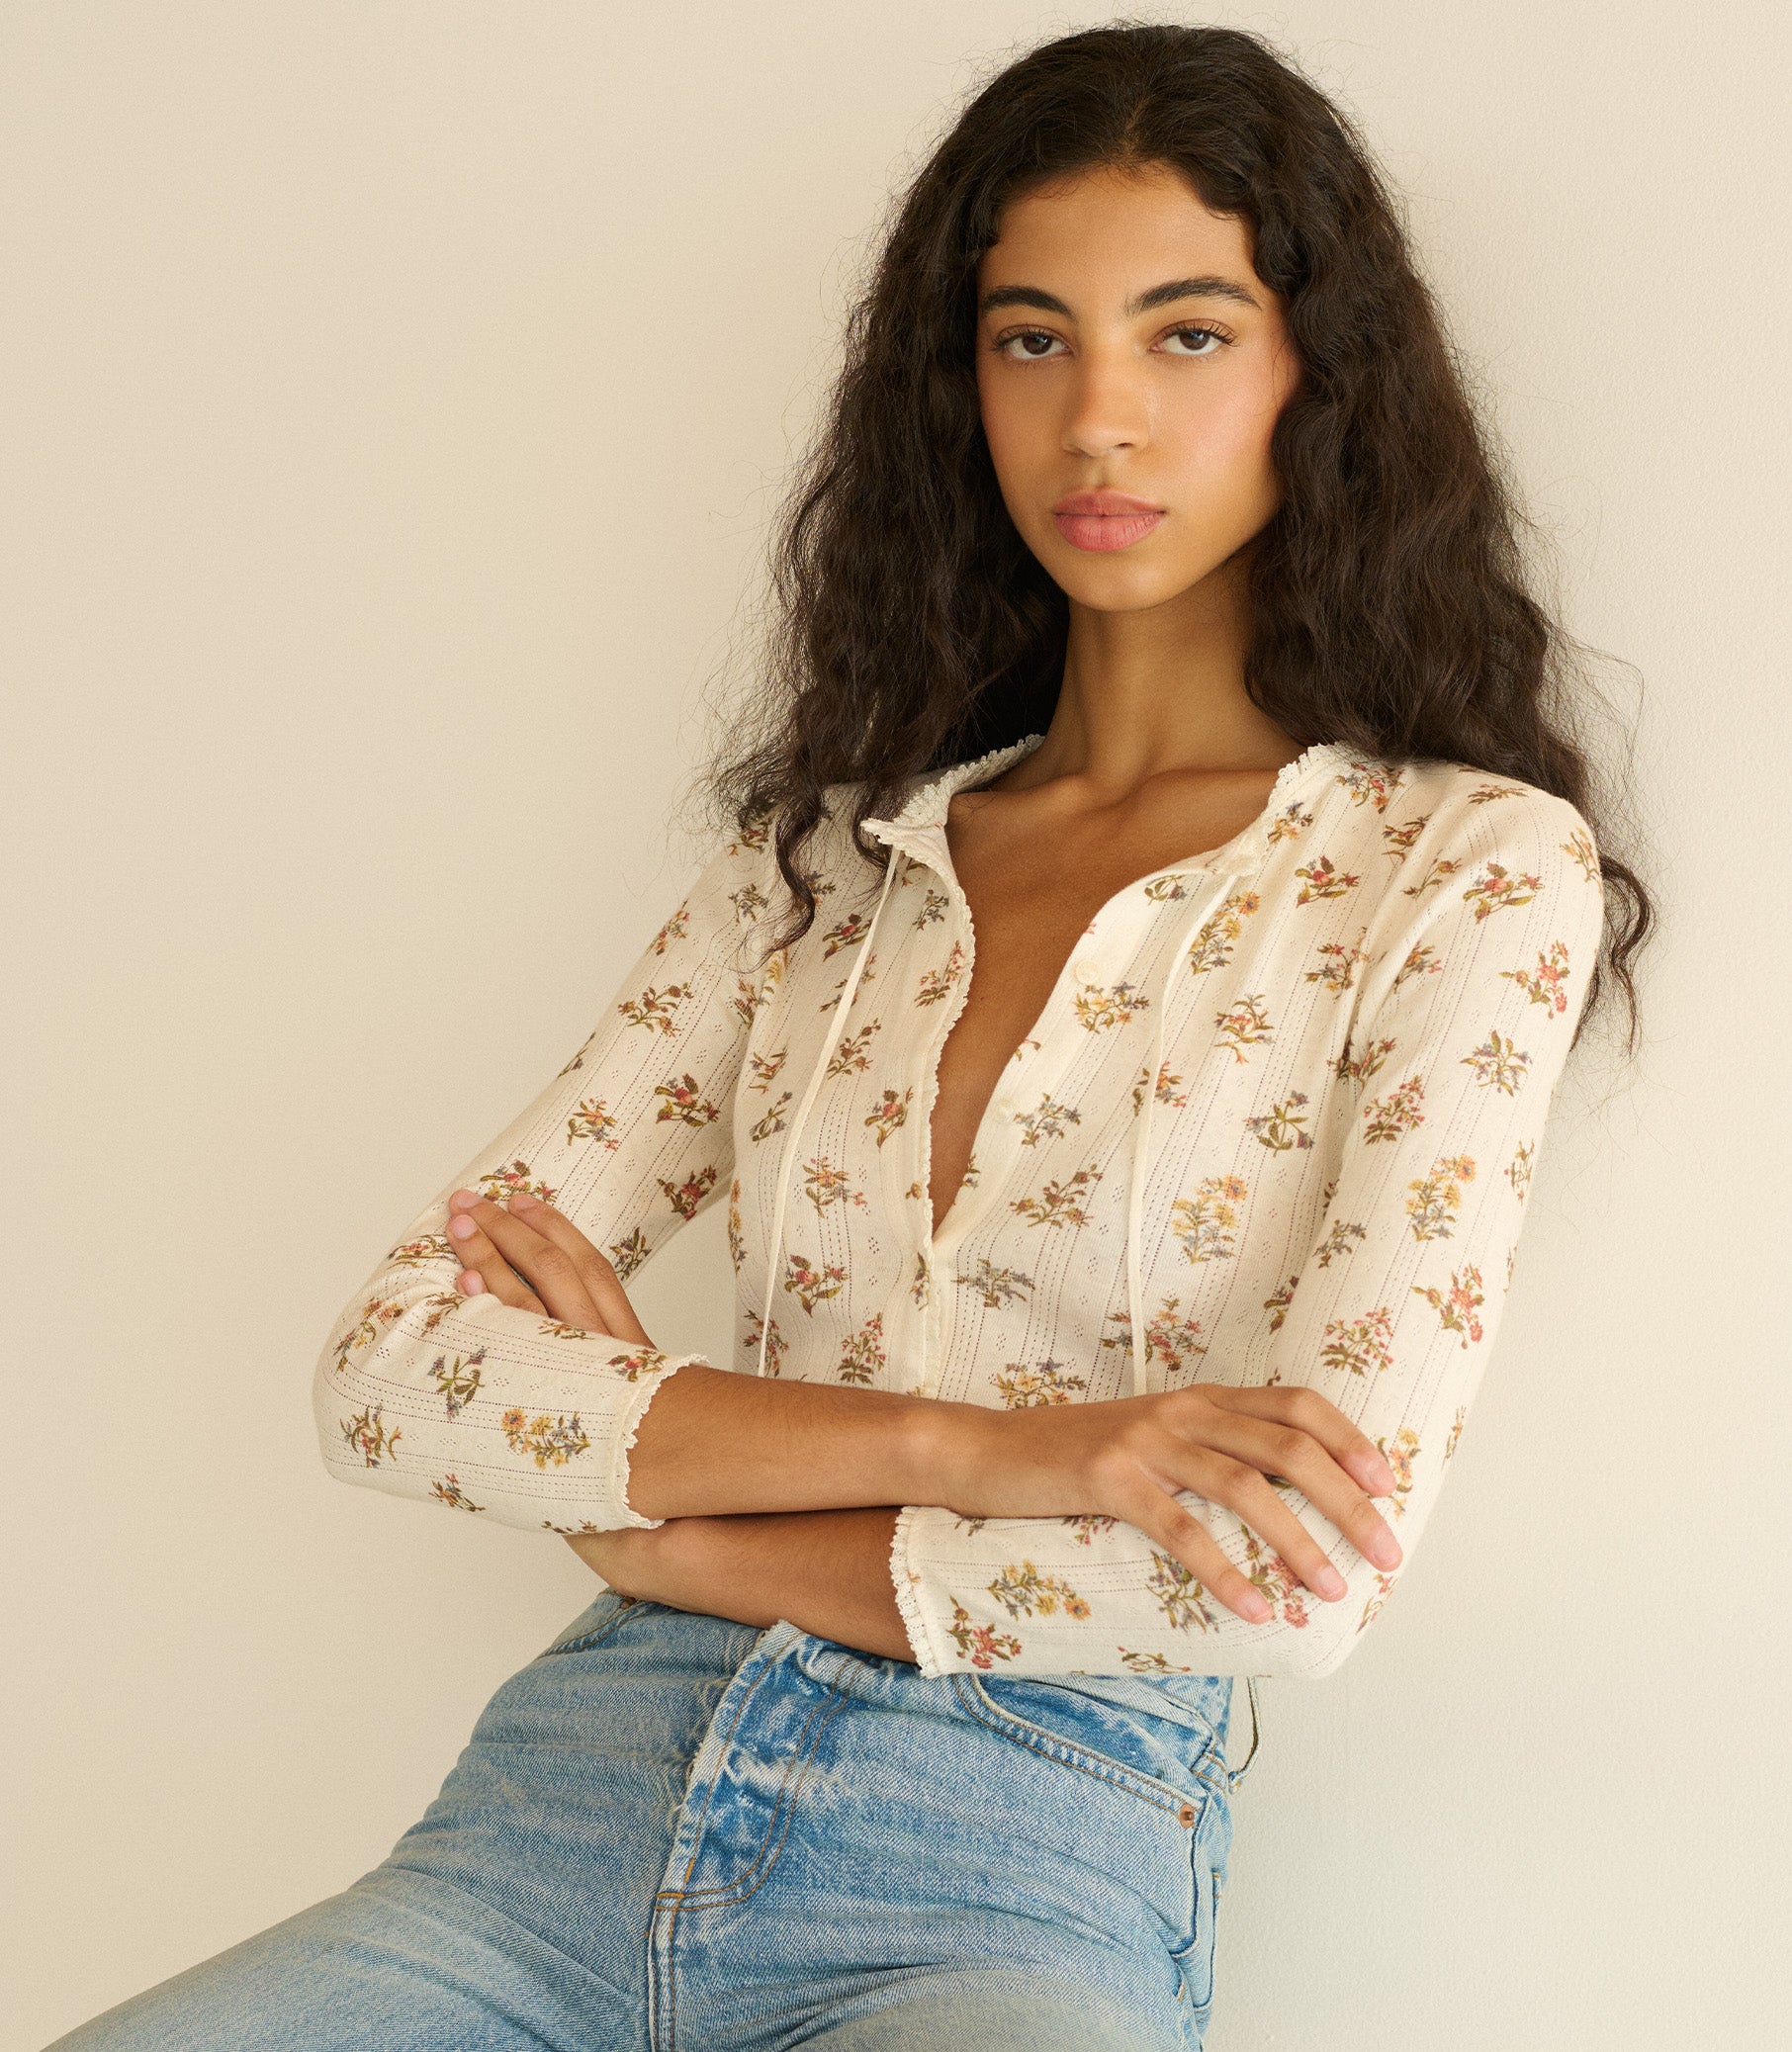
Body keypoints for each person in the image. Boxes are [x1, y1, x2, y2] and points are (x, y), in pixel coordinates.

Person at [47, 21, 1649, 2052]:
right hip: (555, 1822)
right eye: (1031, 339)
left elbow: (1291, 1577)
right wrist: (1000, 1454)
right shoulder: (817, 867)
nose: (1099, 423)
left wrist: (674, 1523)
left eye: (1184, 335)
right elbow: (392, 1375)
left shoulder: (1460, 871)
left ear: (1314, 377)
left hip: (1016, 1843)